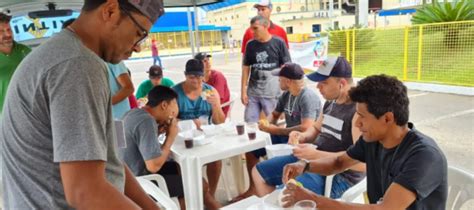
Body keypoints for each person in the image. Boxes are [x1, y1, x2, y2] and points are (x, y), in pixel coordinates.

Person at [0, 0, 165, 209]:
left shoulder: (64, 53)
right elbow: (85, 192)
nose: (138, 47)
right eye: (139, 32)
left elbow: (108, 162)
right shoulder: (77, 64)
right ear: (110, 10)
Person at [282, 74, 448, 210]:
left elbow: (386, 209)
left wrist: (313, 199)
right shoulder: (373, 140)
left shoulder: (424, 156)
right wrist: (305, 166)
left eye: (362, 116)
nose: (356, 123)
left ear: (387, 118)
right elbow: (338, 163)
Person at [251, 57, 365, 199]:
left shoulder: (358, 112)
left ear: (341, 83)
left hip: (338, 176)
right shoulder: (331, 102)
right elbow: (315, 129)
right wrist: (301, 136)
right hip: (311, 161)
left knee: (284, 195)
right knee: (259, 172)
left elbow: (362, 163)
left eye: (323, 82)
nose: (318, 87)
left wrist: (317, 155)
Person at [118, 85, 221, 210]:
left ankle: (213, 206)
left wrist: (159, 132)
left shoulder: (132, 113)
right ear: (164, 105)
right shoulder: (147, 121)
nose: (173, 116)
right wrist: (171, 137)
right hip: (141, 182)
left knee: (182, 169)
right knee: (200, 184)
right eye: (173, 109)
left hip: (125, 176)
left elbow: (137, 146)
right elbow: (153, 166)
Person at [235, 15, 291, 202]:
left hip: (271, 95)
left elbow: (286, 67)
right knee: (250, 138)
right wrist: (243, 90)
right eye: (252, 29)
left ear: (266, 26)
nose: (253, 32)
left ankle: (270, 180)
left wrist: (285, 92)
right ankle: (253, 186)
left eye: (256, 28)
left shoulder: (278, 43)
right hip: (253, 94)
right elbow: (245, 68)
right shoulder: (251, 45)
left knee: (269, 136)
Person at [172, 59, 225, 198]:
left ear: (203, 75)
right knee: (182, 162)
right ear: (185, 75)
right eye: (191, 77)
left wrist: (215, 106)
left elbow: (220, 122)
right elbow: (169, 120)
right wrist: (188, 122)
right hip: (183, 138)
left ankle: (210, 195)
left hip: (205, 136)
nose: (196, 81)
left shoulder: (211, 91)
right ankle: (188, 195)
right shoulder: (175, 93)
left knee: (216, 159)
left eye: (199, 77)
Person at [0, 12, 31, 116]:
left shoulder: (25, 50)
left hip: (30, 113)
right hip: (4, 118)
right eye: (1, 31)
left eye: (9, 30)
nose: (8, 34)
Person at [194, 52, 231, 118]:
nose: (208, 62)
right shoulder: (198, 78)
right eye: (204, 61)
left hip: (219, 111)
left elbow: (217, 98)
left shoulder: (217, 76)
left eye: (208, 60)